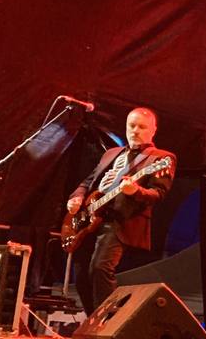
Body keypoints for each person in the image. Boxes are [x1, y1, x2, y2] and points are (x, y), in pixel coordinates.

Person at [66, 107, 174, 313]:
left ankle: (109, 321)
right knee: (80, 275)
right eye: (131, 126)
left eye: (142, 127)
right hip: (89, 218)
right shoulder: (111, 153)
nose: (135, 131)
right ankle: (92, 321)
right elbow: (88, 181)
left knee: (100, 268)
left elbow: (158, 194)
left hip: (119, 222)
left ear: (153, 130)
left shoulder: (160, 158)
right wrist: (76, 197)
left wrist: (135, 191)